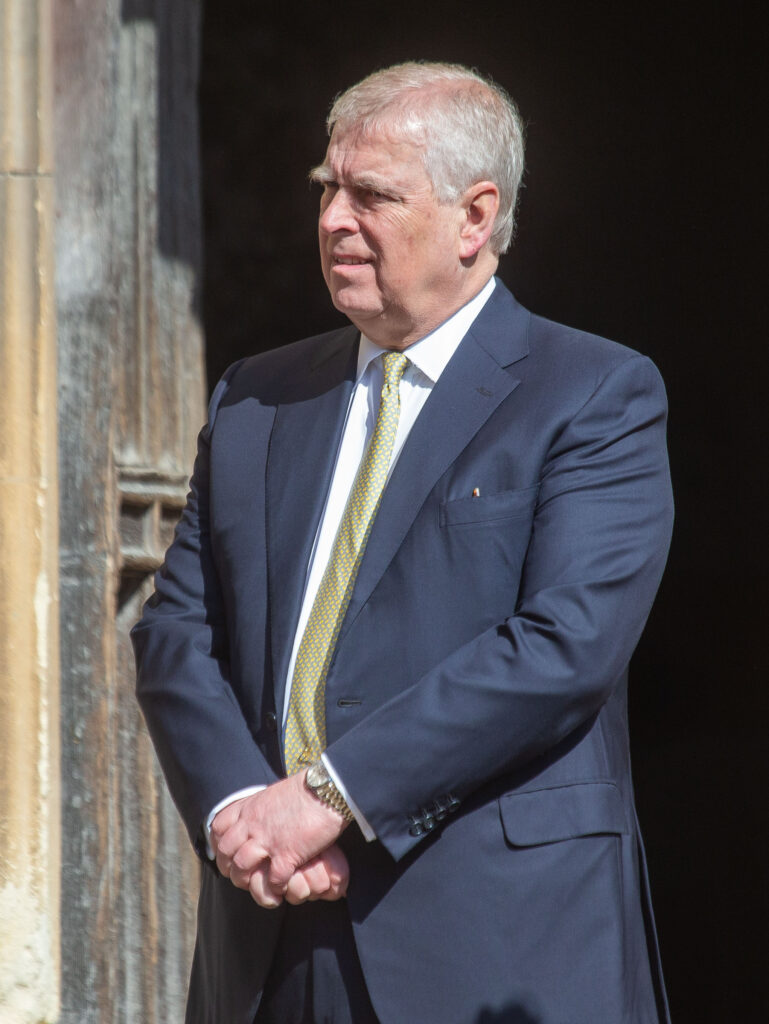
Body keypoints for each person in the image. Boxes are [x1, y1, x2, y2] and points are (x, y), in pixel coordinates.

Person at [132, 61, 674, 1024]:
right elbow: (176, 629)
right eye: (326, 189)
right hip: (273, 941)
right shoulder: (258, 396)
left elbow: (563, 645)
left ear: (475, 218)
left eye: (371, 194)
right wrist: (239, 817)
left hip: (494, 943)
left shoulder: (590, 393)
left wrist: (329, 798)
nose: (335, 219)